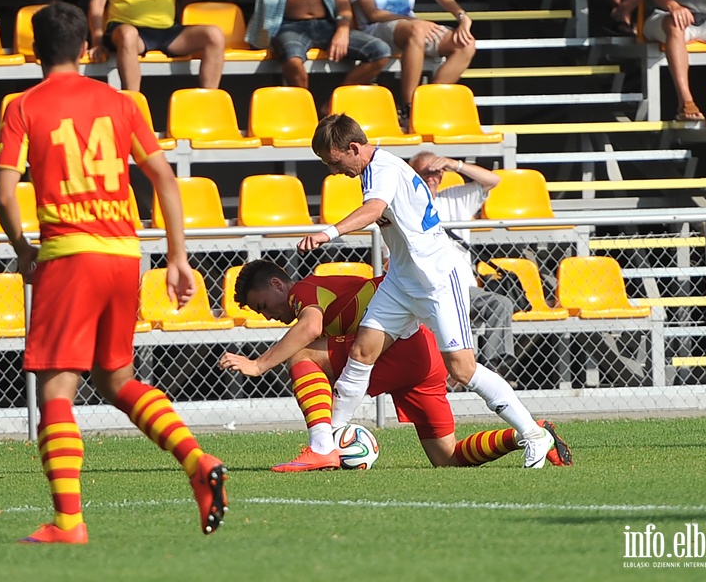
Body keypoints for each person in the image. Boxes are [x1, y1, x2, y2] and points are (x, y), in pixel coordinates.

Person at [0, 2, 227, 544]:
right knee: (115, 378)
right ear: (85, 50)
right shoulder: (120, 102)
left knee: (57, 385)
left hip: (70, 255)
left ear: (33, 52)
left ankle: (69, 522)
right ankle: (197, 461)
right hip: (123, 255)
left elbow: (6, 195)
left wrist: (24, 248)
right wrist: (176, 257)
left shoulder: (23, 106)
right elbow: (165, 180)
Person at [297, 114, 554, 468]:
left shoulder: (382, 169)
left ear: (353, 148)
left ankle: (533, 433)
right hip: (401, 281)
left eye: (334, 161)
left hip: (435, 280)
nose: (332, 170)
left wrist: (328, 233)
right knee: (361, 352)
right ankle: (329, 442)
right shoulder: (374, 168)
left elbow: (374, 210)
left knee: (462, 370)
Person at [218, 260, 571, 470]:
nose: (268, 315)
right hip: (421, 355)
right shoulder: (311, 295)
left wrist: (258, 364)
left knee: (301, 353)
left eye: (263, 304)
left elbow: (309, 327)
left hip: (402, 348)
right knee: (446, 458)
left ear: (278, 284)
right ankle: (530, 434)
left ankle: (322, 446)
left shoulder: (304, 290)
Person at [407, 151, 518, 380]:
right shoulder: (404, 209)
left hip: (464, 290)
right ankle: (444, 377)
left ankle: (489, 371)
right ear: (413, 175)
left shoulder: (454, 198)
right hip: (427, 292)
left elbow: (493, 181)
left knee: (501, 304)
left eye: (436, 171)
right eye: (424, 172)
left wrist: (453, 164)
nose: (431, 176)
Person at [245, 0, 392, 113]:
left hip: (328, 25)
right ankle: (306, 111)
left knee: (380, 51)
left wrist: (342, 30)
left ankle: (334, 103)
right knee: (293, 60)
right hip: (289, 26)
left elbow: (344, 7)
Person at [347, 0, 475, 121]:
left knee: (466, 44)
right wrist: (415, 22)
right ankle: (410, 109)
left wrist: (462, 16)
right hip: (375, 29)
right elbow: (374, 14)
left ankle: (426, 105)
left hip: (409, 25)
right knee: (417, 31)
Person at [87, 0, 226, 92]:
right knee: (128, 34)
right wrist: (98, 42)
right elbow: (97, 4)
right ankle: (134, 101)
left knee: (214, 35)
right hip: (130, 31)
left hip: (167, 31)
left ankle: (209, 99)